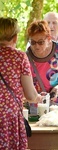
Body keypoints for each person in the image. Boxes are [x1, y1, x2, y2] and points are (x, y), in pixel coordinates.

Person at [0, 17, 42, 149]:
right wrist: (38, 98)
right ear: (15, 37)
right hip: (9, 117)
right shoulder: (18, 57)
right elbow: (30, 95)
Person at [26, 20, 58, 103]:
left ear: (49, 38)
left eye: (41, 42)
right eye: (33, 42)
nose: (36, 46)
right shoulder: (27, 57)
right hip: (38, 103)